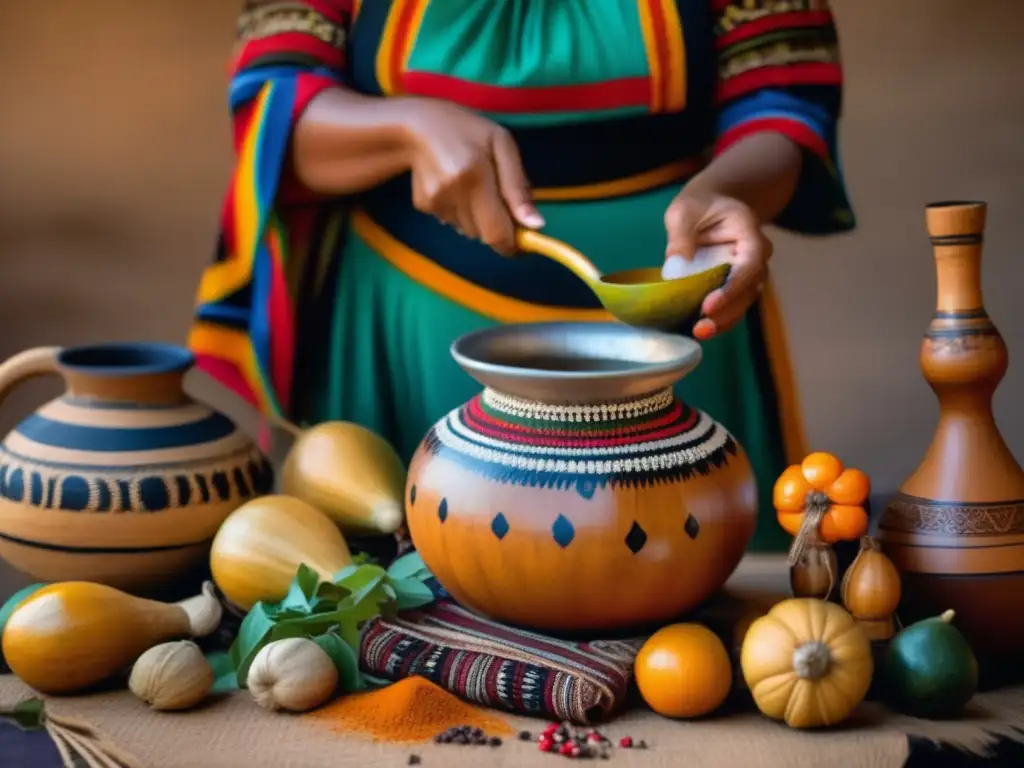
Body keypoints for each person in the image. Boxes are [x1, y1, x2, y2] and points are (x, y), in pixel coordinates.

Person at [189, 0, 854, 551]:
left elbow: (780, 99)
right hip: (402, 333)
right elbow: (271, 105)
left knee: (699, 614)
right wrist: (404, 129)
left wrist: (732, 192)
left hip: (687, 337)